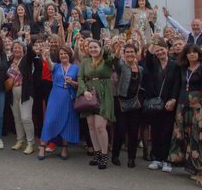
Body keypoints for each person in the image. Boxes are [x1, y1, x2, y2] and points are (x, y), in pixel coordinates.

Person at [168, 43, 202, 190]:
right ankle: (192, 169)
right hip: (183, 106)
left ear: (199, 54)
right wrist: (173, 99)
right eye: (189, 52)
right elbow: (177, 85)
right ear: (185, 55)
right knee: (183, 136)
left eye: (195, 52)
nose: (192, 54)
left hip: (200, 107)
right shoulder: (182, 68)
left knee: (199, 138)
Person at [77, 38, 116, 169]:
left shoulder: (106, 59)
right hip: (89, 94)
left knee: (100, 126)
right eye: (90, 47)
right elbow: (80, 77)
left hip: (104, 94)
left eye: (95, 47)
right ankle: (97, 153)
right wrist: (84, 91)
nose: (93, 49)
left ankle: (104, 155)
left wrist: (107, 47)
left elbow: (111, 58)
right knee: (92, 126)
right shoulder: (85, 62)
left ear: (100, 48)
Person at [143, 37, 180, 173]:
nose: (160, 53)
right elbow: (148, 56)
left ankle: (166, 159)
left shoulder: (175, 65)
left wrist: (173, 99)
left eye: (162, 50)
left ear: (167, 49)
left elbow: (177, 83)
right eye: (157, 51)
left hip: (168, 102)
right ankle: (156, 158)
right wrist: (153, 43)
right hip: (155, 102)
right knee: (155, 131)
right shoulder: (153, 64)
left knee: (167, 131)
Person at [38, 44, 79, 160]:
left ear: (69, 55)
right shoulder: (56, 66)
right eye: (61, 54)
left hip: (68, 97)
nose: (63, 55)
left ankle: (64, 148)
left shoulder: (76, 68)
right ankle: (42, 147)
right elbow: (50, 65)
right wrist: (47, 57)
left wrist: (72, 82)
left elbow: (79, 85)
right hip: (56, 96)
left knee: (67, 122)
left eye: (65, 53)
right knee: (49, 120)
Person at [111, 42, 144, 168]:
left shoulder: (140, 69)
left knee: (134, 132)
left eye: (132, 52)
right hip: (121, 102)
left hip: (135, 104)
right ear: (124, 54)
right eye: (127, 52)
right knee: (120, 130)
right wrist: (119, 47)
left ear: (136, 53)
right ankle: (115, 155)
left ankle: (131, 158)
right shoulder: (122, 66)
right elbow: (115, 60)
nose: (130, 54)